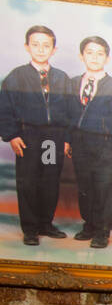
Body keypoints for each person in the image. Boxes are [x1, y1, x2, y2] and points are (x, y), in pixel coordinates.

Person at [0, 25, 71, 246]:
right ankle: (30, 229)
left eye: (46, 45)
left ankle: (45, 224)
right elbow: (4, 108)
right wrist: (11, 135)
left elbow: (71, 111)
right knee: (29, 180)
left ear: (54, 49)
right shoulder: (17, 76)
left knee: (49, 179)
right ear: (27, 47)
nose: (41, 49)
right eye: (36, 44)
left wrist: (67, 138)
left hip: (52, 139)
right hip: (29, 136)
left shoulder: (61, 78)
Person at [65, 36, 112, 249]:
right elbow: (67, 115)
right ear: (81, 56)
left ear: (107, 58)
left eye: (99, 53)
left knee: (104, 187)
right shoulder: (73, 83)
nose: (94, 57)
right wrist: (68, 140)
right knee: (85, 187)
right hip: (79, 144)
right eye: (89, 52)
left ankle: (102, 231)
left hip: (105, 145)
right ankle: (89, 225)